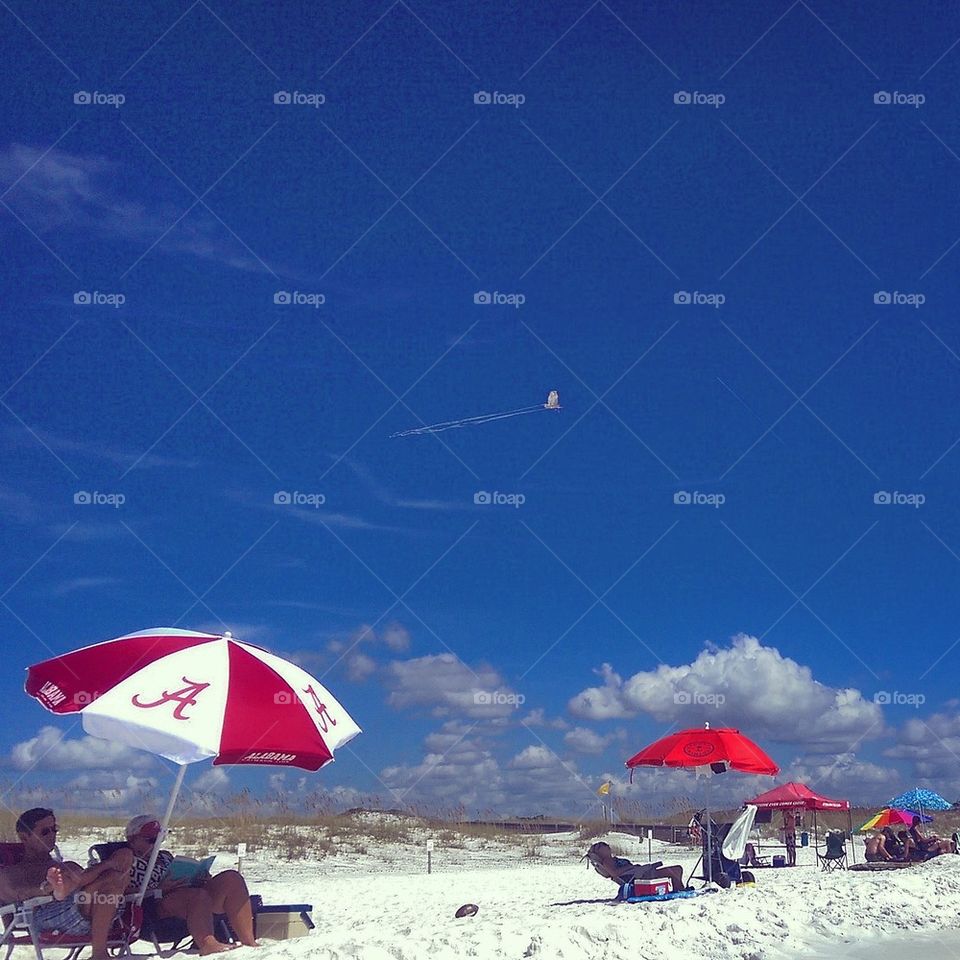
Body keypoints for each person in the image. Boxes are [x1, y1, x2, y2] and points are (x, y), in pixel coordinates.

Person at [0, 808, 132, 960]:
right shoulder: (12, 871)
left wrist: (109, 865)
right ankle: (100, 954)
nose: (52, 835)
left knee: (114, 872)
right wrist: (47, 888)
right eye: (45, 832)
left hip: (87, 907)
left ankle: (99, 954)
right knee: (107, 882)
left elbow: (86, 880)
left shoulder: (63, 866)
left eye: (54, 830)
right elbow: (13, 892)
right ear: (24, 837)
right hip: (42, 920)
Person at [124, 816, 258, 953]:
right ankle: (208, 944)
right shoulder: (127, 860)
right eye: (151, 840)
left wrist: (199, 878)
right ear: (132, 840)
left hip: (188, 896)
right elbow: (121, 893)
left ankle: (249, 942)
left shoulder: (164, 856)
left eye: (159, 839)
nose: (156, 844)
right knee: (197, 896)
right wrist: (158, 889)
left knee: (231, 878)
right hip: (153, 907)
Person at [585, 841, 686, 893]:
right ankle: (679, 889)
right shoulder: (607, 861)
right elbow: (615, 874)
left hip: (638, 873)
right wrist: (632, 867)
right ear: (599, 852)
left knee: (676, 869)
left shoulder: (611, 860)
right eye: (602, 845)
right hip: (639, 876)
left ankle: (679, 888)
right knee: (675, 870)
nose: (607, 845)